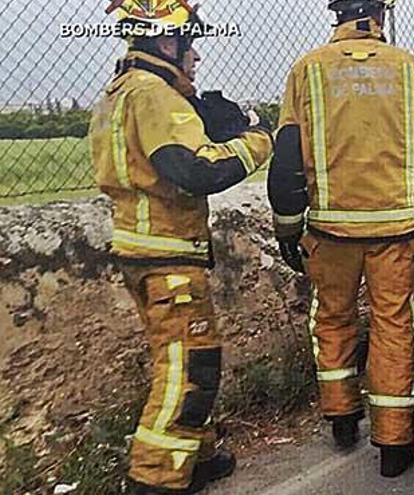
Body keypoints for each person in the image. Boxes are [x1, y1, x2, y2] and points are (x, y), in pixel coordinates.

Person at [90, 1, 273, 493]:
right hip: (167, 255)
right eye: (191, 45)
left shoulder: (121, 92)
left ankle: (194, 457)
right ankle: (153, 479)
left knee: (177, 362)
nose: (197, 57)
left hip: (143, 251)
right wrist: (257, 140)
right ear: (167, 43)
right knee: (192, 369)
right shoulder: (155, 95)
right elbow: (195, 171)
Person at [267, 0, 414, 478]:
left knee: (332, 318)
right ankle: (394, 445)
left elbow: (287, 156)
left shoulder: (306, 71)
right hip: (396, 231)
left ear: (337, 13)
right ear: (381, 13)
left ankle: (342, 419)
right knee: (394, 327)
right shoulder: (413, 70)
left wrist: (289, 228)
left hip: (329, 230)